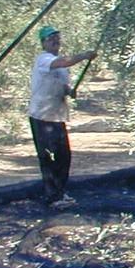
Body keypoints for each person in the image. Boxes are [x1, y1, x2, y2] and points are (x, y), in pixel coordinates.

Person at [28, 25, 96, 209]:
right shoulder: (44, 59)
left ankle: (60, 191)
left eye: (57, 39)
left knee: (64, 156)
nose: (55, 42)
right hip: (42, 116)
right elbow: (62, 63)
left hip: (57, 116)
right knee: (48, 157)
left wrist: (69, 91)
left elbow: (61, 82)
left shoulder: (60, 65)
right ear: (43, 43)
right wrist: (84, 56)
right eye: (51, 39)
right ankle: (52, 196)